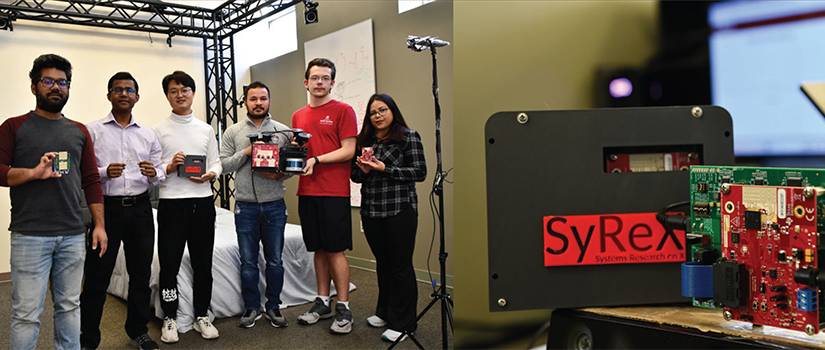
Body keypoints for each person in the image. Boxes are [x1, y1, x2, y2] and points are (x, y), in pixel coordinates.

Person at [0, 53, 107, 350]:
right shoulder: (13, 126)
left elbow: (91, 181)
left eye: (62, 82)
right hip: (30, 235)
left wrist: (99, 225)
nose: (56, 87)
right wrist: (33, 173)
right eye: (48, 81)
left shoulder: (79, 131)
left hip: (73, 234)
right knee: (26, 315)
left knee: (70, 307)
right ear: (34, 87)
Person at [80, 72, 164, 350]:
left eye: (129, 90)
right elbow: (84, 172)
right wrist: (104, 172)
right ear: (109, 96)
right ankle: (88, 339)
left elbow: (160, 174)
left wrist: (154, 173)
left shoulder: (148, 133)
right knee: (96, 277)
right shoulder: (92, 131)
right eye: (118, 89)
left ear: (136, 97)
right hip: (107, 211)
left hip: (141, 209)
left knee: (140, 275)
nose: (124, 94)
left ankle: (137, 331)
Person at [153, 70, 222, 343]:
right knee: (169, 265)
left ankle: (201, 315)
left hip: (203, 203)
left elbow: (216, 162)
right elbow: (153, 171)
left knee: (203, 264)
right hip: (171, 205)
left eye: (184, 89)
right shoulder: (158, 130)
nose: (180, 95)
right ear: (167, 96)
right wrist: (171, 165)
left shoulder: (206, 129)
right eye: (173, 91)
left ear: (193, 93)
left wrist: (210, 174)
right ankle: (170, 317)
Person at [351, 94, 426, 342]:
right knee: (382, 263)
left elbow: (420, 172)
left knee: (400, 266)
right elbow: (355, 176)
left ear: (392, 110)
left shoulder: (408, 136)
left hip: (399, 209)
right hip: (372, 211)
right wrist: (362, 171)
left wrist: (385, 168)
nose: (378, 116)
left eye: (382, 110)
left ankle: (404, 324)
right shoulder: (366, 141)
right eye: (373, 113)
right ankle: (384, 312)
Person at [292, 58, 358, 334]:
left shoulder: (344, 111)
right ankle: (322, 302)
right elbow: (301, 151)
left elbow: (349, 150)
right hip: (307, 191)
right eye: (315, 78)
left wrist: (316, 159)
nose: (320, 83)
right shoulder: (298, 115)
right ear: (306, 82)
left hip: (334, 191)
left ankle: (343, 306)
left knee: (334, 250)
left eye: (325, 78)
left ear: (332, 82)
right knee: (317, 249)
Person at [220, 81, 291, 329]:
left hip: (275, 205)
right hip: (245, 207)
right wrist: (247, 152)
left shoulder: (284, 132)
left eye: (263, 98)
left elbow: (293, 166)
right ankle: (252, 308)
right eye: (253, 99)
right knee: (248, 262)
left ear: (269, 101)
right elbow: (224, 166)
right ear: (245, 102)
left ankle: (273, 306)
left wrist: (280, 175)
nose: (258, 103)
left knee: (275, 262)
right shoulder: (233, 132)